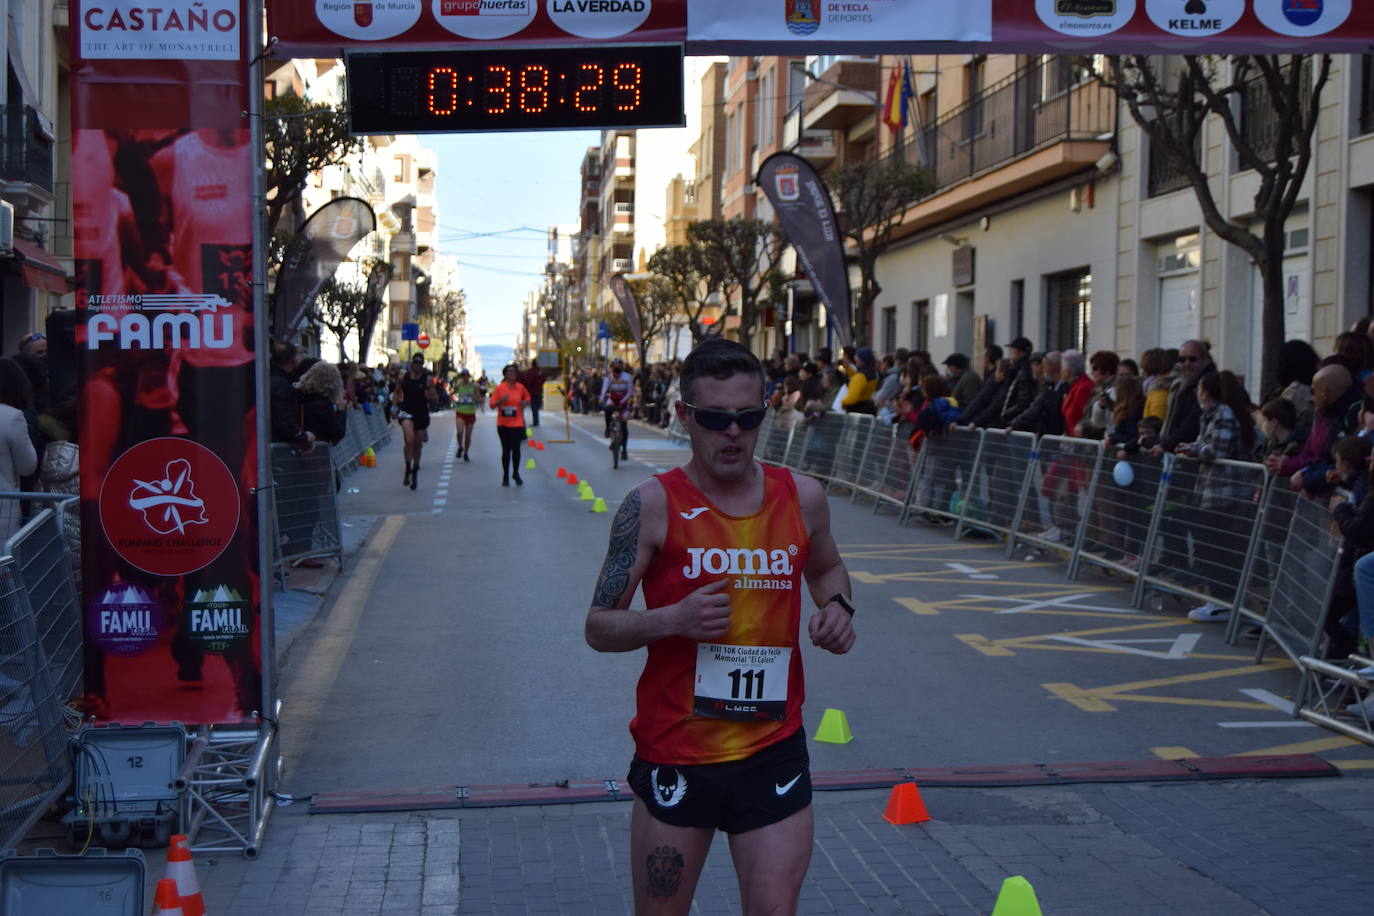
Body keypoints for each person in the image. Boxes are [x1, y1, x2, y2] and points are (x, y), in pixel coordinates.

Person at [584, 337, 855, 915]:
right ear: (685, 416)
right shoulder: (650, 505)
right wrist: (672, 619)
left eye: (748, 417)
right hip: (678, 753)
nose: (732, 433)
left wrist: (838, 609)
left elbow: (828, 569)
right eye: (715, 418)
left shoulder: (801, 497)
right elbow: (599, 626)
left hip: (773, 748)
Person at [396, 353, 436, 490]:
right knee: (409, 440)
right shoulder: (403, 377)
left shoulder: (428, 380)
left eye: (420, 362)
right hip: (406, 411)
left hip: (421, 413)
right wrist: (394, 406)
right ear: (411, 363)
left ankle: (415, 471)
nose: (418, 365)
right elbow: (396, 391)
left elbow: (435, 398)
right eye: (416, 362)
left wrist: (429, 395)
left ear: (423, 365)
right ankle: (408, 467)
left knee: (417, 445)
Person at [490, 363, 531, 486]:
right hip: (503, 424)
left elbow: (528, 398)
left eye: (514, 372)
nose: (512, 373)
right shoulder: (499, 388)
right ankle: (505, 476)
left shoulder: (520, 387)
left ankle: (516, 473)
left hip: (517, 423)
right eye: (509, 372)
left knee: (516, 449)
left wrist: (525, 402)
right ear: (505, 374)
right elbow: (492, 405)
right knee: (506, 450)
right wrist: (501, 401)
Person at [601, 357, 636, 460]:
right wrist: (601, 398)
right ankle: (608, 429)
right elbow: (604, 389)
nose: (616, 368)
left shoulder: (627, 377)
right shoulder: (608, 377)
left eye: (619, 366)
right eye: (614, 366)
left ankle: (624, 450)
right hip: (613, 399)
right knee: (607, 410)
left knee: (624, 426)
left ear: (622, 367)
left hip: (624, 400)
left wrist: (623, 401)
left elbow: (630, 391)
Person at [452, 369, 479, 462]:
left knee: (468, 435)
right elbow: (453, 393)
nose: (465, 377)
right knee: (459, 432)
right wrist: (453, 400)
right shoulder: (459, 385)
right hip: (460, 412)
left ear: (469, 376)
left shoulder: (474, 386)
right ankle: (460, 447)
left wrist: (476, 398)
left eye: (466, 375)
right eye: (463, 375)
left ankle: (466, 452)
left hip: (470, 413)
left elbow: (479, 398)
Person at [520, 359, 545, 427]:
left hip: (532, 392)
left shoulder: (531, 371)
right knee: (536, 407)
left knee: (533, 407)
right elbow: (543, 380)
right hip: (539, 391)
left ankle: (535, 422)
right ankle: (536, 421)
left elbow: (528, 381)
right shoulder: (540, 371)